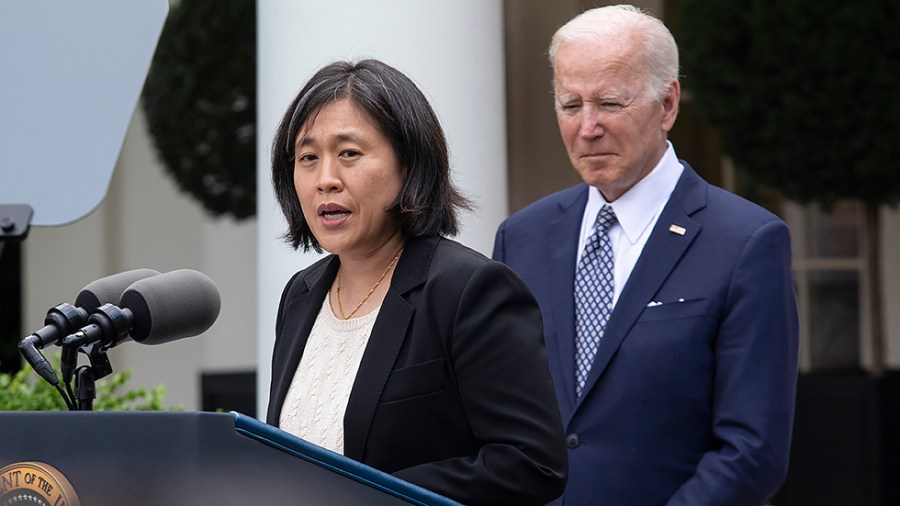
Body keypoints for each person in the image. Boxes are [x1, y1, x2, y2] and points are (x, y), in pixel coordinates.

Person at [492, 5, 799, 506]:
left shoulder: (747, 242)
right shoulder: (521, 237)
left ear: (668, 104)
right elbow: (498, 415)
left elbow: (752, 452)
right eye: (570, 105)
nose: (587, 127)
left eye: (609, 103)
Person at [265, 58, 567, 505]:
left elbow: (531, 463)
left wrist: (368, 495)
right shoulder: (300, 295)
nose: (325, 180)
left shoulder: (469, 290)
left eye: (349, 153)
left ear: (408, 165)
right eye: (308, 158)